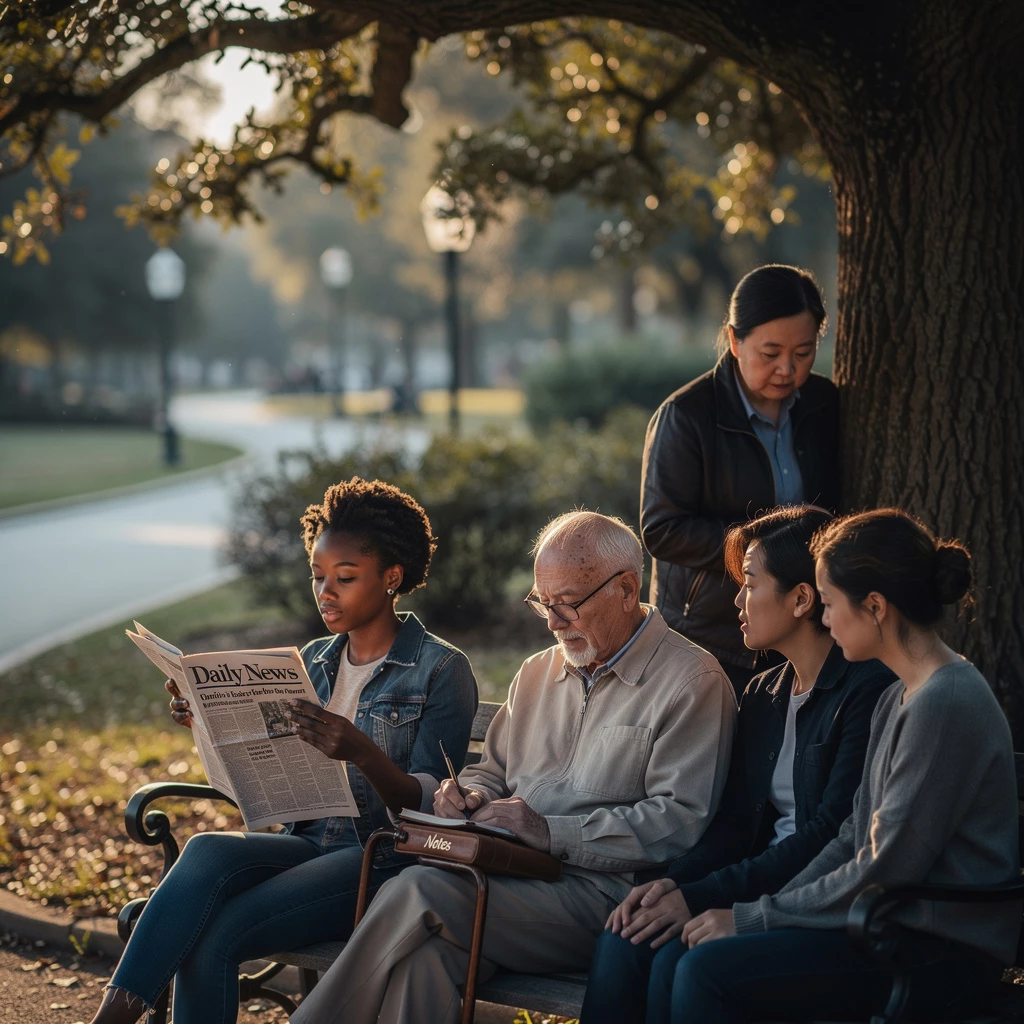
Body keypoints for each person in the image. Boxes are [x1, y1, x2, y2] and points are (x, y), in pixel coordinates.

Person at [291, 510, 737, 1024]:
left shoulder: (692, 680)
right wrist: (468, 795)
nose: (552, 622)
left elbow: (677, 821)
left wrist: (549, 831)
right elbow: (491, 771)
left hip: (605, 897)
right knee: (425, 960)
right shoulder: (537, 672)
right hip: (502, 873)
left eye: (567, 603)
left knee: (417, 889)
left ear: (626, 589)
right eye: (542, 602)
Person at [90, 477, 479, 1024]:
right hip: (306, 841)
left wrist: (361, 751)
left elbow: (430, 810)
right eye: (318, 576)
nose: (326, 592)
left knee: (214, 934)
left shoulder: (440, 669)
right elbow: (266, 769)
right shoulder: (313, 659)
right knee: (204, 849)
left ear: (392, 577)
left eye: (345, 577)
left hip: (380, 859)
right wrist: (207, 721)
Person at [652, 508, 1019, 1024]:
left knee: (705, 971)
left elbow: (886, 866)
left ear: (875, 607)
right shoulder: (899, 698)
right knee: (680, 956)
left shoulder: (945, 702)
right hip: (886, 925)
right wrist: (757, 911)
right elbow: (851, 838)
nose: (823, 621)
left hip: (937, 950)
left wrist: (756, 918)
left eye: (829, 604)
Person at [580, 505, 893, 1023]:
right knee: (625, 937)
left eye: (749, 583)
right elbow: (734, 823)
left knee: (680, 960)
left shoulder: (866, 690)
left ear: (801, 598)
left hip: (819, 904)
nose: (737, 600)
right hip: (753, 889)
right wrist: (674, 886)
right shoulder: (764, 693)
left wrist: (706, 897)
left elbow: (830, 833)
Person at [641, 264, 841, 697]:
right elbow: (662, 530)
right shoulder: (687, 416)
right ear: (734, 340)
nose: (787, 368)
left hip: (807, 627)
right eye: (770, 354)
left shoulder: (824, 404)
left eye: (803, 352)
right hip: (712, 634)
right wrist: (759, 554)